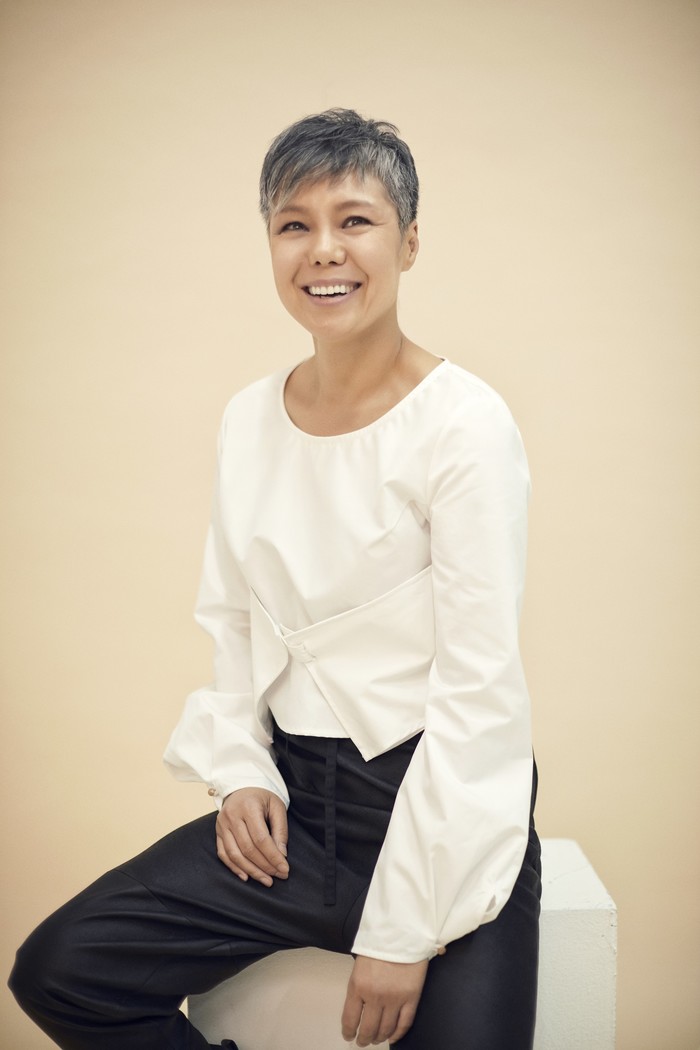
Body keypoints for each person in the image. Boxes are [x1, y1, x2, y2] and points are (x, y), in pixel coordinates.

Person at [9, 108, 541, 1049]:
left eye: (355, 220)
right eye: (294, 224)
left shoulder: (466, 425)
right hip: (294, 819)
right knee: (60, 971)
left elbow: (479, 694)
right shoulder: (248, 418)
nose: (323, 249)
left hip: (437, 814)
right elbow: (233, 617)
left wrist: (404, 931)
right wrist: (243, 770)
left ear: (410, 242)